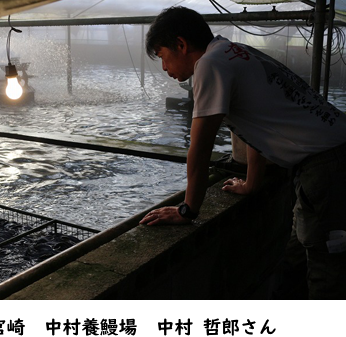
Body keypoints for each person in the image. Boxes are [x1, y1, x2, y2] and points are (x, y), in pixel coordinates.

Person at [139, 6, 346, 299]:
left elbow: (199, 148)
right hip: (329, 158)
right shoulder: (232, 51)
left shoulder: (209, 65)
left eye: (162, 56)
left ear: (181, 45)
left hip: (327, 166)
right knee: (299, 258)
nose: (163, 68)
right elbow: (253, 122)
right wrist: (251, 183)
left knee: (328, 269)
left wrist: (187, 210)